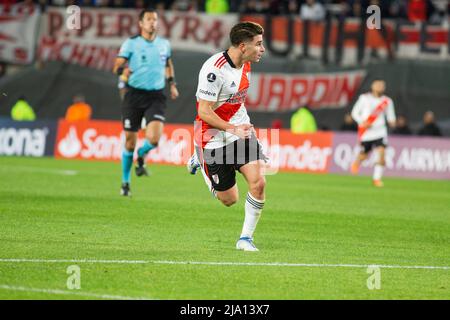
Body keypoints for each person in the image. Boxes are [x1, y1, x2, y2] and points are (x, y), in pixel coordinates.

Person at [186, 21, 267, 251]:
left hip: (240, 132)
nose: (262, 49)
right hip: (211, 137)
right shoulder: (214, 70)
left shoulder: (246, 63)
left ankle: (245, 239)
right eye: (258, 44)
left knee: (259, 182)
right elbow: (203, 112)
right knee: (229, 200)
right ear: (243, 46)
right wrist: (232, 128)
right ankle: (199, 160)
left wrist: (239, 128)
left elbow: (235, 101)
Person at [113, 8, 179, 197]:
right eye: (149, 19)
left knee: (154, 139)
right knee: (129, 143)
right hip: (133, 96)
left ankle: (142, 155)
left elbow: (168, 63)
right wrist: (122, 72)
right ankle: (125, 182)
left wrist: (172, 84)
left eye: (155, 19)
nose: (153, 22)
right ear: (141, 23)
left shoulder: (164, 44)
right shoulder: (131, 43)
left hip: (155, 96)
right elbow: (117, 65)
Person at [350, 79, 396, 187]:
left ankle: (376, 179)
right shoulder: (364, 98)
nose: (380, 87)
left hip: (380, 131)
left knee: (381, 153)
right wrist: (363, 122)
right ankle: (357, 161)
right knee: (364, 155)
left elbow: (391, 116)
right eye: (378, 85)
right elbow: (354, 113)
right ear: (372, 86)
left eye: (382, 85)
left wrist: (392, 121)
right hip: (367, 131)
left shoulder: (387, 101)